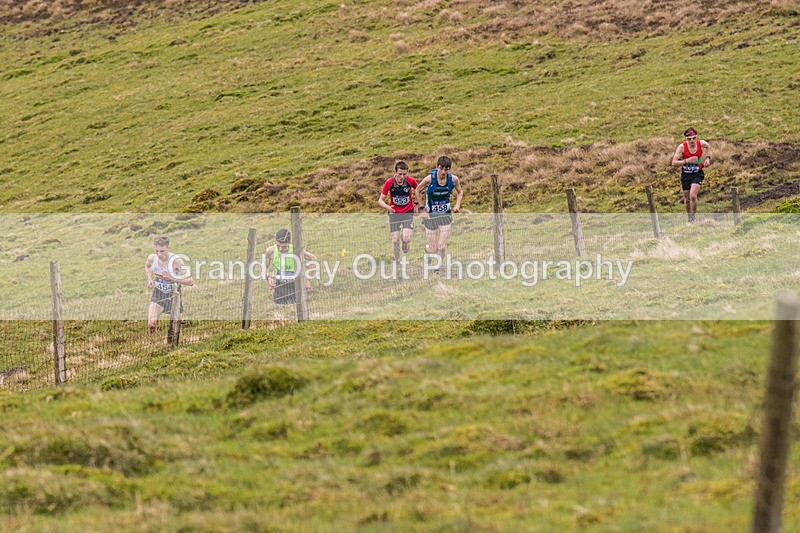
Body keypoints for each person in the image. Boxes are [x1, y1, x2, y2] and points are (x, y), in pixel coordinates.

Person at [414, 156, 464, 272]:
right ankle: (428, 251)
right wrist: (423, 209)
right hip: (430, 217)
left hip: (445, 216)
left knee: (441, 247)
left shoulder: (453, 179)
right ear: (437, 167)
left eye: (446, 169)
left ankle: (438, 268)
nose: (443, 172)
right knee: (433, 249)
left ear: (449, 169)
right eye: (441, 168)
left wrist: (457, 205)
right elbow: (417, 190)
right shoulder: (429, 179)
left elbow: (460, 192)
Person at [145, 235, 195, 334]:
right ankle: (152, 343)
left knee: (175, 329)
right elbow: (147, 266)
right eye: (157, 251)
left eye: (162, 251)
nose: (159, 254)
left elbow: (191, 281)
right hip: (158, 294)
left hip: (174, 296)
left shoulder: (176, 261)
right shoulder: (152, 258)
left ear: (168, 248)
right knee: (151, 324)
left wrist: (172, 278)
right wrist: (150, 279)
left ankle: (173, 346)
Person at [266, 229, 317, 316]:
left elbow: (313, 259)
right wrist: (268, 278)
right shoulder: (270, 251)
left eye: (284, 246)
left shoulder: (296, 250)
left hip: (296, 289)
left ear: (290, 242)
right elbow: (264, 267)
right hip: (280, 291)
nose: (281, 249)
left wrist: (308, 280)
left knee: (296, 313)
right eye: (278, 245)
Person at [378, 161, 419, 262]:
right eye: (400, 174)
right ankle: (398, 262)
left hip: (407, 213)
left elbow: (418, 190)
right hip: (394, 214)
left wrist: (417, 204)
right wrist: (388, 207)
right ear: (395, 172)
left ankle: (405, 242)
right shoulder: (389, 183)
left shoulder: (410, 181)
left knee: (406, 238)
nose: (402, 177)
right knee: (395, 240)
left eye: (404, 174)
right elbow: (380, 200)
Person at [672, 127, 712, 222]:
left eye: (694, 138)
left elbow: (708, 146)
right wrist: (687, 161)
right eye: (689, 139)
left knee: (693, 195)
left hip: (697, 174)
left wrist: (707, 158)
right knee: (687, 199)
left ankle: (693, 218)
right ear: (686, 139)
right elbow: (673, 163)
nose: (692, 141)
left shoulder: (700, 143)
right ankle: (690, 217)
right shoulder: (682, 147)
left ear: (696, 137)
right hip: (686, 175)